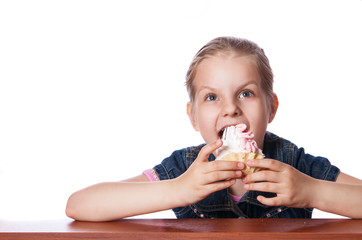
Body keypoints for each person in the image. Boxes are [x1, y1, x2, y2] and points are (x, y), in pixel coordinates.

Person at [66, 36, 362, 221]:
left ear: (271, 107)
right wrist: (178, 188)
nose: (230, 108)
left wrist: (311, 190)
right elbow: (79, 205)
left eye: (246, 93)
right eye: (211, 97)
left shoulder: (294, 163)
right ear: (193, 117)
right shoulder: (184, 168)